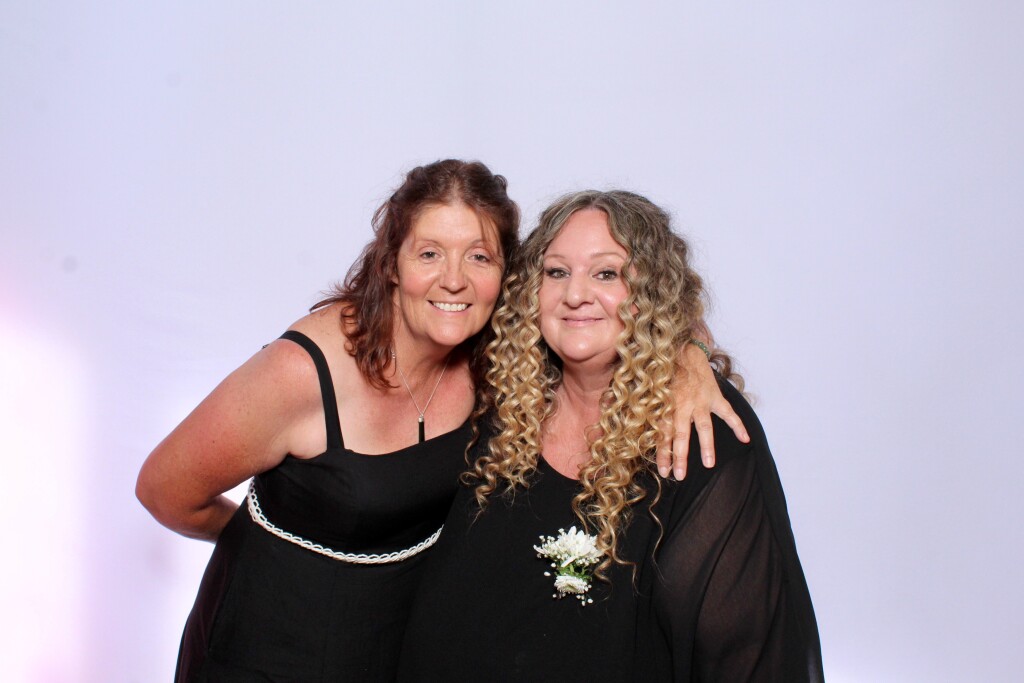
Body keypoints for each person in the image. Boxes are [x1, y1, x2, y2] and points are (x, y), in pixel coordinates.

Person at [136, 162, 747, 681]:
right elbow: (165, 490)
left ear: (507, 276)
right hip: (273, 646)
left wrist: (690, 358)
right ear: (392, 265)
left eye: (478, 257)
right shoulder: (304, 371)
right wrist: (273, 547)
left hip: (401, 647)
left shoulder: (499, 353)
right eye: (429, 253)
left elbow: (627, 301)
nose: (454, 279)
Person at [397, 190, 823, 681]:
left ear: (652, 294)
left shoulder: (697, 429)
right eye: (557, 272)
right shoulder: (501, 397)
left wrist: (690, 354)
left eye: (606, 274)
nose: (575, 294)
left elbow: (742, 649)